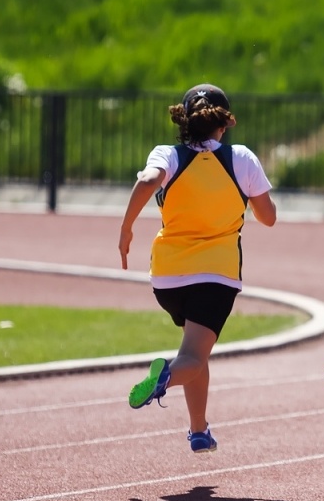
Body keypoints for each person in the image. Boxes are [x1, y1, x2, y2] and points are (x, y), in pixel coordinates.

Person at [119, 84, 277, 452]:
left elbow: (146, 180)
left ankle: (199, 430)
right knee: (190, 357)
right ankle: (163, 378)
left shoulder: (167, 154)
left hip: (167, 278)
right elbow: (268, 218)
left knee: (195, 350)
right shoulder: (241, 158)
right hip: (216, 276)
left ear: (185, 121)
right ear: (224, 123)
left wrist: (126, 227)